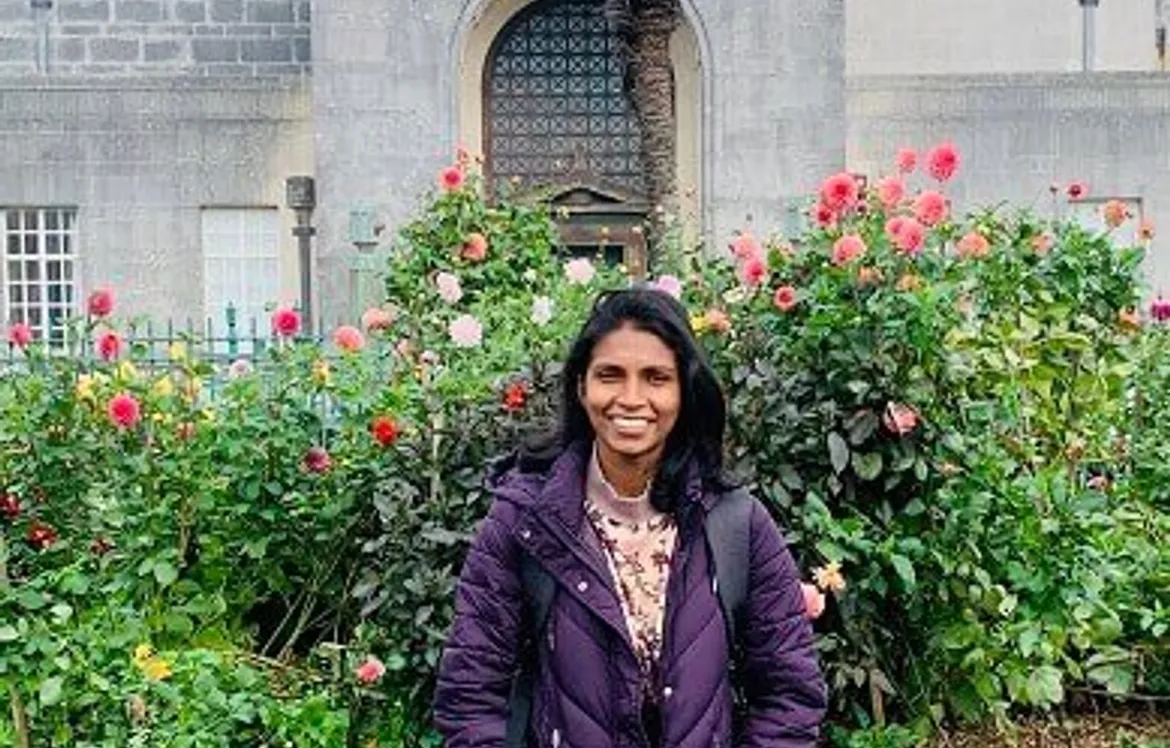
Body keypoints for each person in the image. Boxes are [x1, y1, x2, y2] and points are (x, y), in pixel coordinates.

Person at [434, 288, 827, 748]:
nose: (631, 398)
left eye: (656, 377)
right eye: (610, 375)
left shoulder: (735, 524)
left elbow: (791, 696)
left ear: (684, 389)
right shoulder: (526, 522)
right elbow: (470, 695)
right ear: (581, 386)